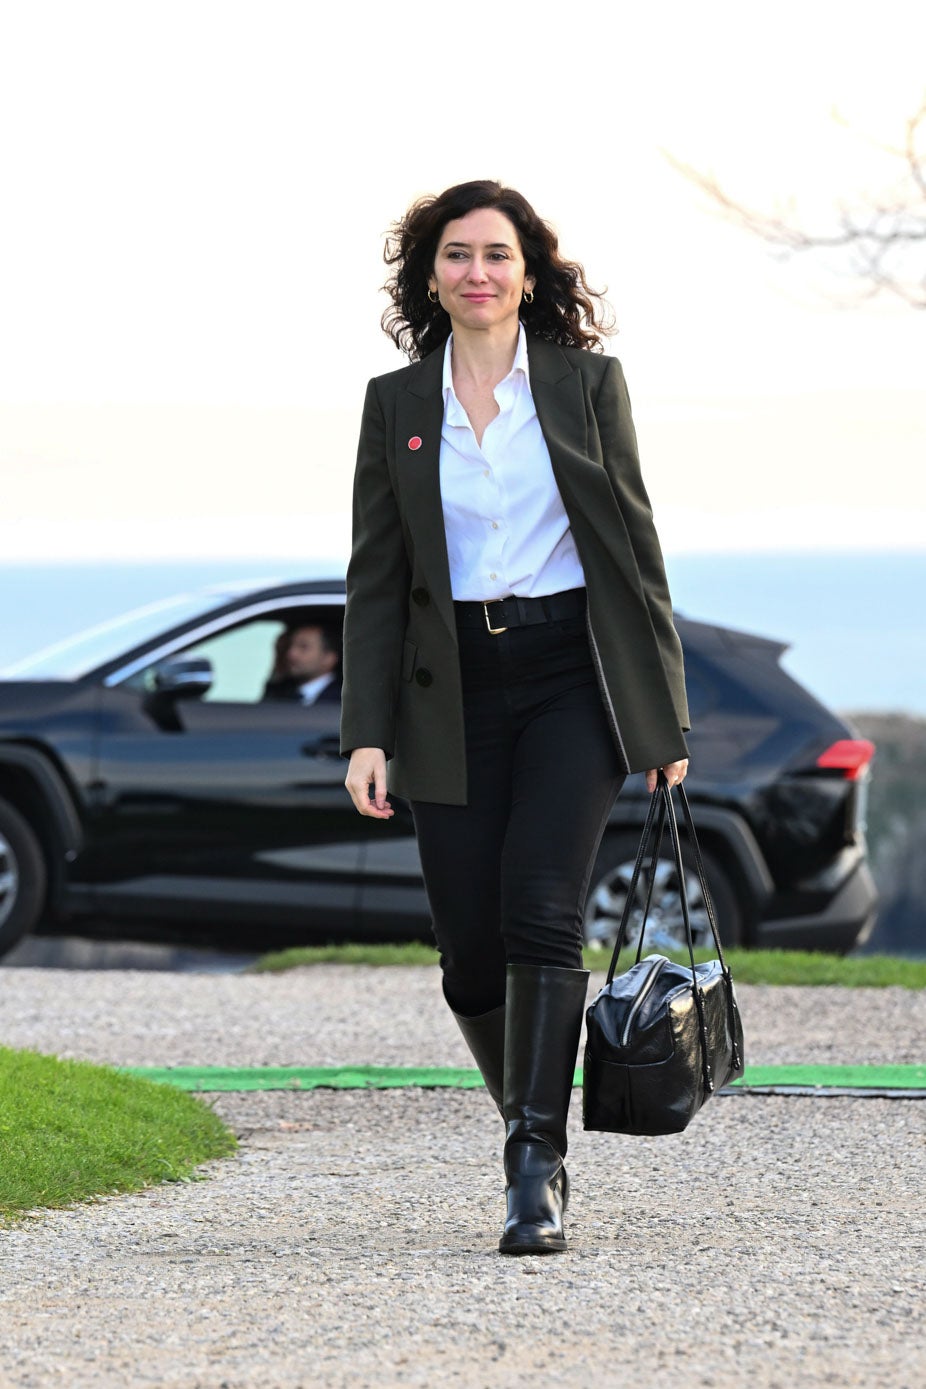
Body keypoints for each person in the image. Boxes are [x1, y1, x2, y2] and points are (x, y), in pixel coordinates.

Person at [340, 180, 689, 1256]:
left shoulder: (586, 386)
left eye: (497, 254)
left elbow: (632, 549)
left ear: (528, 274)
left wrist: (661, 720)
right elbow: (375, 576)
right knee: (468, 950)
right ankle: (525, 1117)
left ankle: (532, 1167)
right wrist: (366, 728)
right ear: (430, 275)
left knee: (541, 906)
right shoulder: (395, 405)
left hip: (568, 677)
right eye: (457, 255)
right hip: (448, 695)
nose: (477, 272)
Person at [262, 624, 342, 705]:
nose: (291, 654)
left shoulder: (345, 700)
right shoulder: (277, 693)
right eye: (289, 646)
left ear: (329, 658)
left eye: (303, 647)